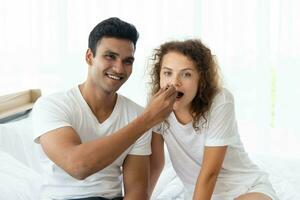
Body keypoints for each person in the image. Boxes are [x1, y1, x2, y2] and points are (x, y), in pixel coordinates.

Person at [32, 17, 177, 200]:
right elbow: (78, 166)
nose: (119, 68)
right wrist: (146, 120)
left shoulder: (136, 114)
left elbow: (136, 193)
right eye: (110, 56)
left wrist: (144, 119)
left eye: (128, 61)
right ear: (89, 56)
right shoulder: (52, 105)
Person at [149, 39, 279, 200]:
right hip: (200, 194)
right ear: (159, 75)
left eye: (186, 74)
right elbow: (155, 164)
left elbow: (210, 174)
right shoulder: (157, 106)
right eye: (168, 73)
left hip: (245, 188)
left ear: (201, 79)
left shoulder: (220, 100)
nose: (175, 82)